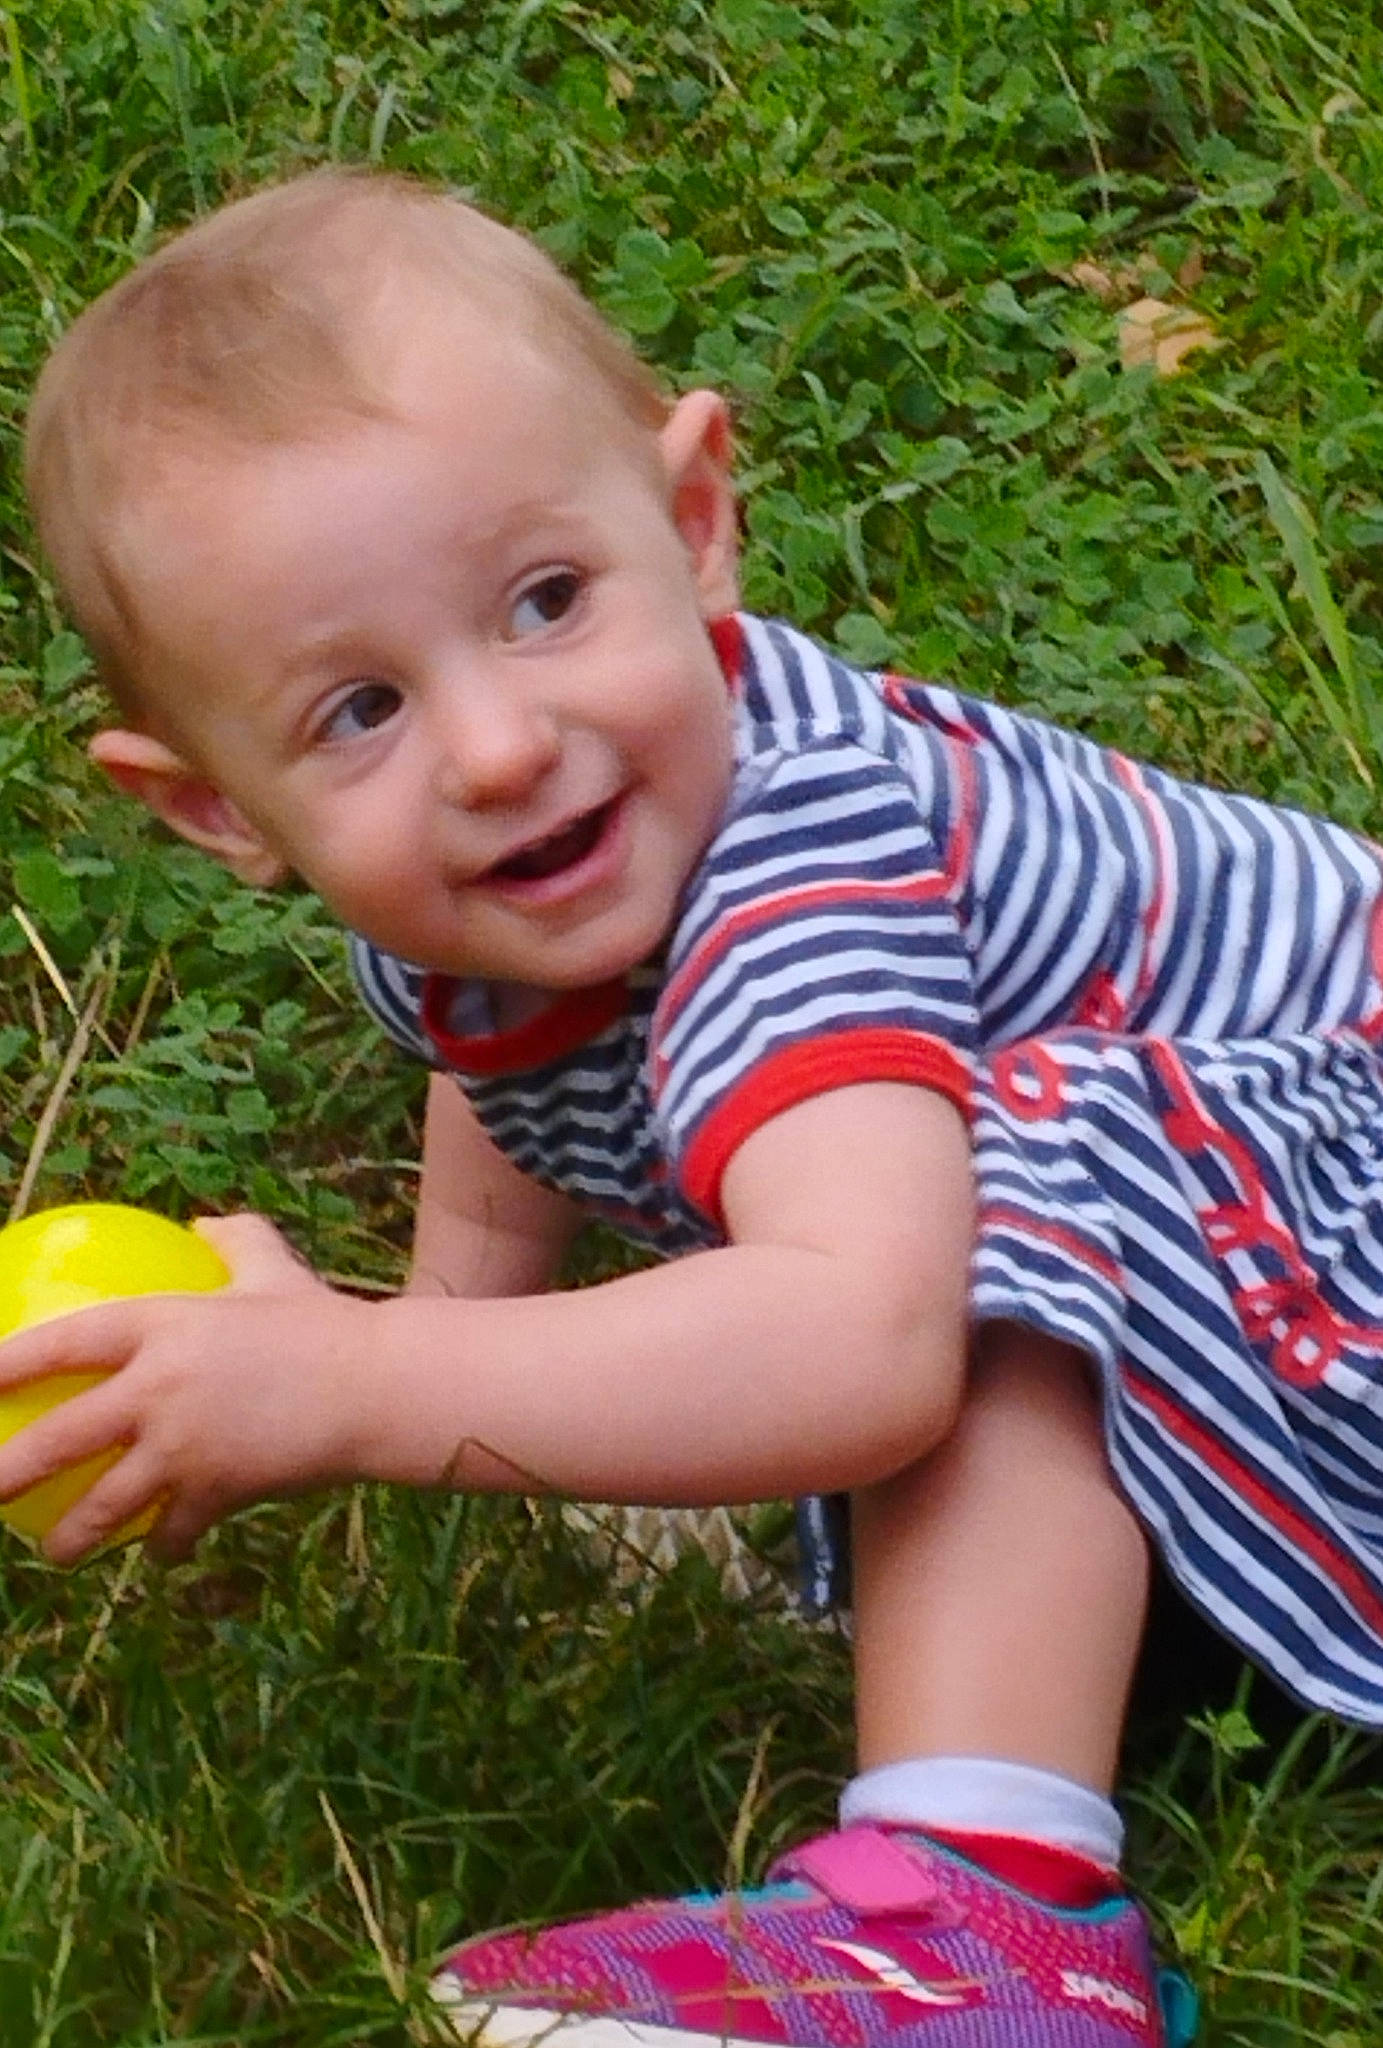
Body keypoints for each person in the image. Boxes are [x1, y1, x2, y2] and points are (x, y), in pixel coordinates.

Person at [11, 164, 1380, 2048]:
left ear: (697, 518)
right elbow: (511, 1075)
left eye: (549, 598)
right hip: (1282, 1323)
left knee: (988, 1180)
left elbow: (869, 1340)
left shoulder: (796, 856)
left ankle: (988, 1928)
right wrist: (454, 1342)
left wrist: (354, 1383)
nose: (498, 745)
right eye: (357, 713)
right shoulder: (509, 893)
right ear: (221, 810)